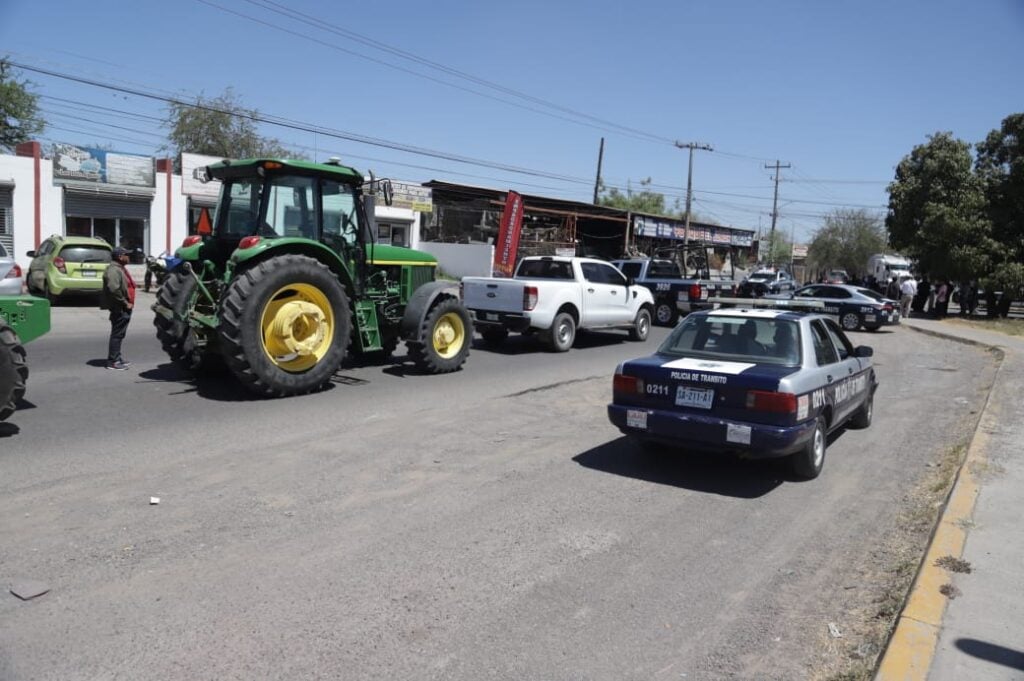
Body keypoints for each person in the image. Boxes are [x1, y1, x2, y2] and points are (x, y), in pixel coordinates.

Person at [101, 247, 136, 370]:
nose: (129, 257)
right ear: (120, 257)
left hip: (123, 307)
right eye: (127, 255)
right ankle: (113, 361)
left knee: (119, 334)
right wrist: (125, 303)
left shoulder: (119, 269)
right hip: (119, 307)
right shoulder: (113, 270)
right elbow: (113, 289)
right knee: (117, 334)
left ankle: (117, 357)